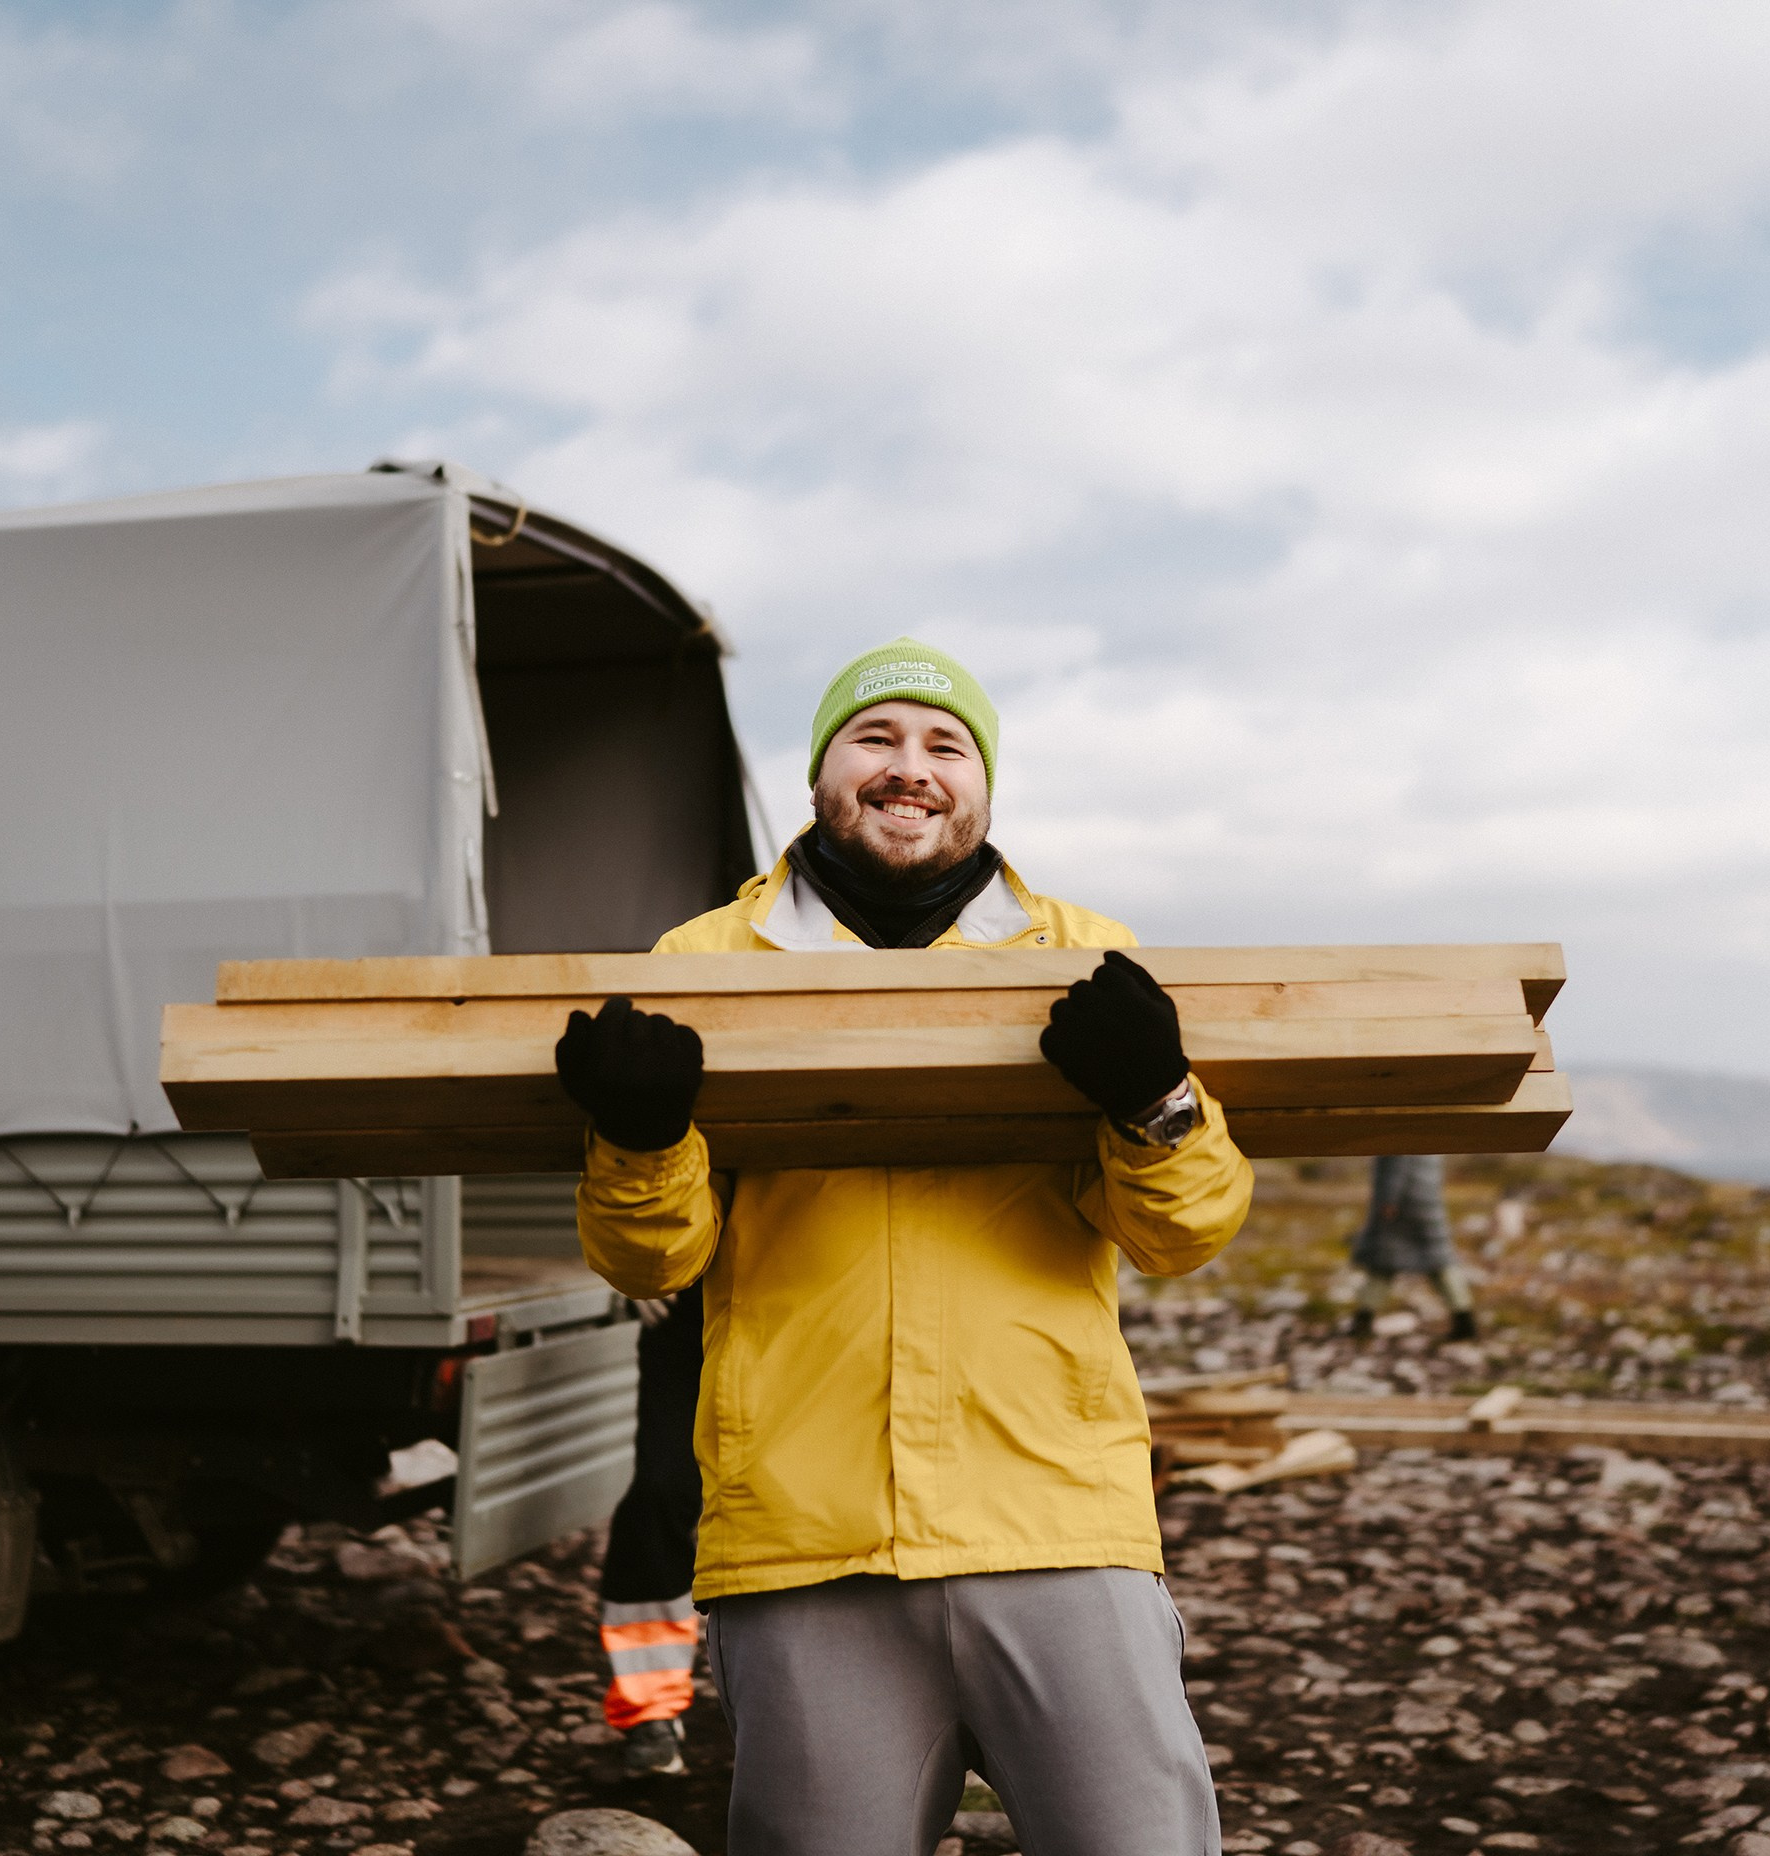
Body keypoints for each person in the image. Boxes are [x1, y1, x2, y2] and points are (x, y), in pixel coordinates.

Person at [557, 640, 1254, 1856]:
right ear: (821, 769)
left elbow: (1181, 1228)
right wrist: (641, 1139)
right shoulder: (700, 967)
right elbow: (650, 1260)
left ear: (983, 786)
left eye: (946, 746)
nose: (910, 768)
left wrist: (1157, 1100)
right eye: (875, 738)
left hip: (1056, 1520)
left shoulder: (1085, 958)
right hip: (803, 1541)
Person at [594, 1284, 704, 1777]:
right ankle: (651, 1710)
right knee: (659, 1495)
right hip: (687, 1311)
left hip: (803, 1314)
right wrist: (634, 1269)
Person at [1346, 1154, 1477, 1341]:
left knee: (1383, 1259)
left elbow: (1398, 1159)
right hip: (1427, 1199)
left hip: (1403, 1202)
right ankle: (1464, 1319)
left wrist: (1389, 1199)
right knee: (1437, 1260)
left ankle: (1363, 1320)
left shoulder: (1401, 1128)